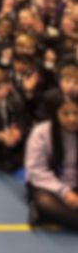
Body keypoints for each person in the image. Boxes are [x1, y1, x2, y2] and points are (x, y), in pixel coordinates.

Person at [26, 97, 78, 229]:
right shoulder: (41, 133)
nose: (72, 119)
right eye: (65, 114)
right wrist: (65, 192)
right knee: (45, 202)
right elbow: (36, 171)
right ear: (56, 113)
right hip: (50, 186)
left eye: (76, 113)